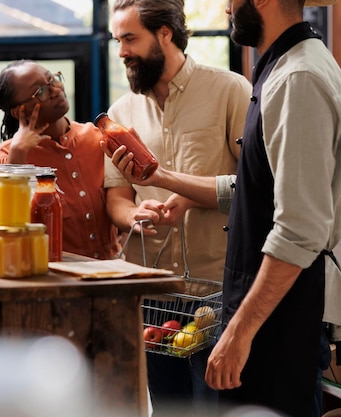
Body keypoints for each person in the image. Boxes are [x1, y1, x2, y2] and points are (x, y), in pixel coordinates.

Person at [103, 0, 341, 415]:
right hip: (251, 309)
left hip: (279, 313)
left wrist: (237, 332)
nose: (225, 7)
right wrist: (164, 180)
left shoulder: (296, 78)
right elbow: (255, 188)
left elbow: (299, 228)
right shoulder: (283, 68)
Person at [105, 0, 252, 415]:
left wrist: (184, 195)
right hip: (152, 297)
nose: (122, 51)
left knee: (216, 409)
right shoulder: (121, 113)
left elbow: (256, 187)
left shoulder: (230, 91)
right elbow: (116, 197)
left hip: (216, 295)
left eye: (130, 38)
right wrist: (132, 215)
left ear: (165, 34)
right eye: (118, 40)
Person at [0, 60, 120, 260]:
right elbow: (6, 227)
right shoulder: (8, 155)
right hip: (53, 279)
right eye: (40, 91)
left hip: (111, 276)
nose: (56, 90)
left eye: (52, 79)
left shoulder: (96, 138)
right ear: (19, 111)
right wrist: (17, 155)